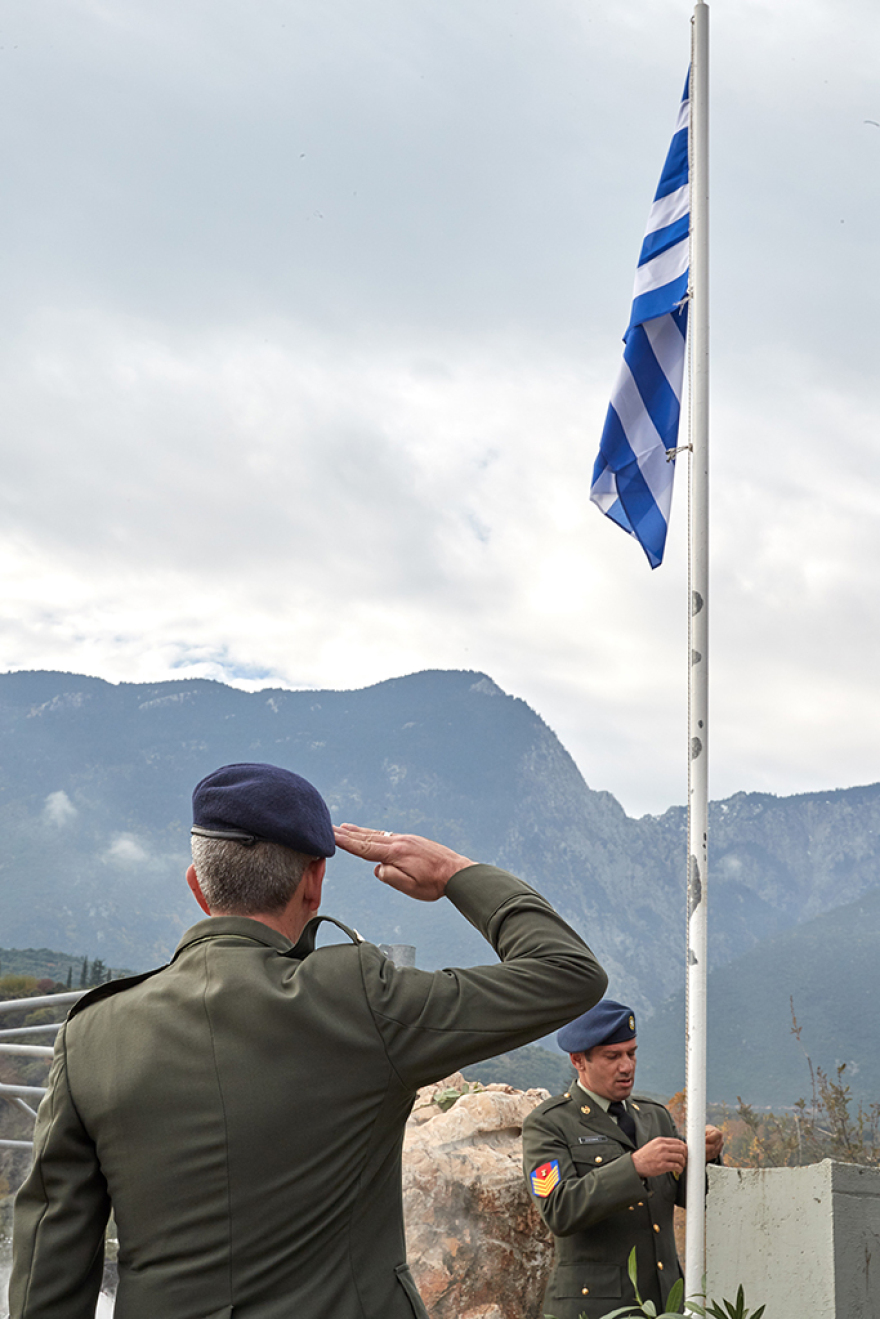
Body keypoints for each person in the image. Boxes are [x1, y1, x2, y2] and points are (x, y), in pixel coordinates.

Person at [10, 761, 607, 1319]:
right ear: (313, 884)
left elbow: (50, 1263)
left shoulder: (91, 1033)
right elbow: (568, 973)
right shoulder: (359, 1000)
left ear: (197, 885)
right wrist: (455, 873)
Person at [522, 999, 724, 1319]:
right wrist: (635, 1168)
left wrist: (707, 1156)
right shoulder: (549, 1123)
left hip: (665, 1305)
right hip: (595, 1309)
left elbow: (694, 1197)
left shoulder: (654, 1117)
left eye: (631, 1053)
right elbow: (558, 1210)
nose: (627, 1066)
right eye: (612, 1056)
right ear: (578, 1060)